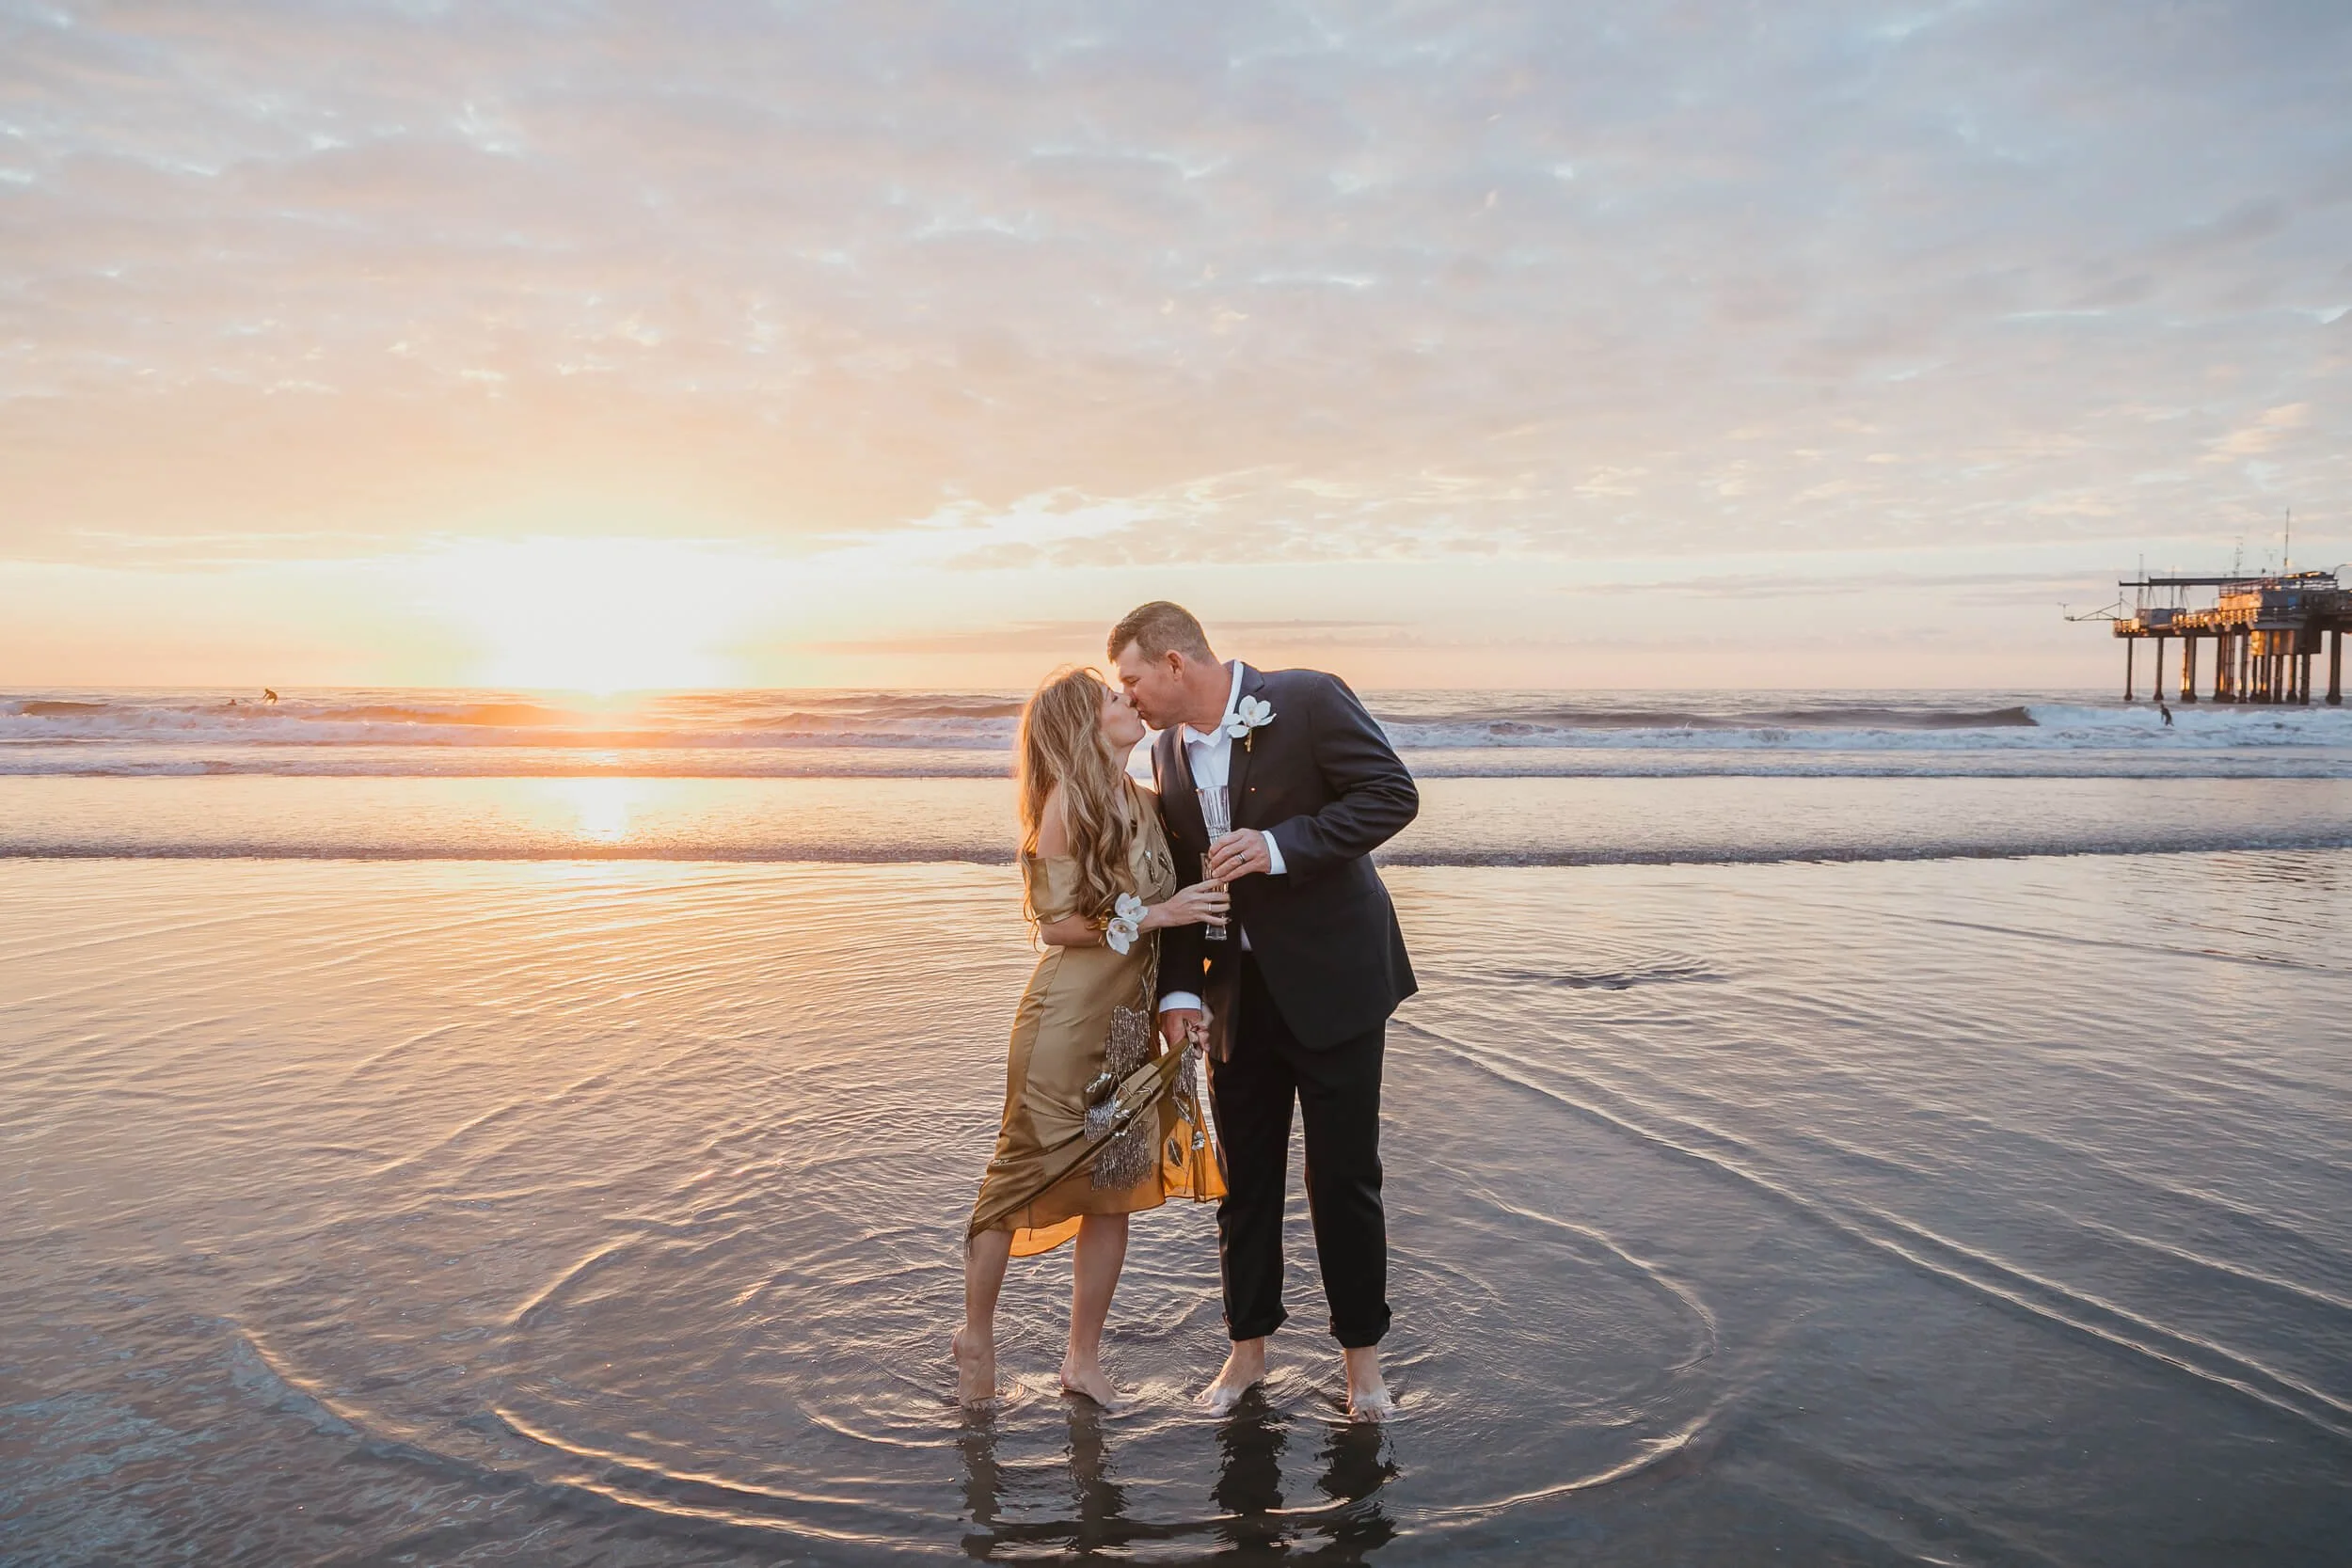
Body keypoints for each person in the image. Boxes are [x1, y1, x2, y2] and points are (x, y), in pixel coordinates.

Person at [1108, 603, 1420, 1421]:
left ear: (1175, 662)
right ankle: (1247, 1351)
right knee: (1244, 1181)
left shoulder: (1308, 698)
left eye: (1133, 680)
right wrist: (1179, 990)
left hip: (1338, 986)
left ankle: (1363, 1365)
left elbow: (1392, 794)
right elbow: (1183, 877)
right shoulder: (1168, 752)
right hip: (1234, 999)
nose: (1129, 698)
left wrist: (1282, 845)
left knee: (1344, 1178)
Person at [955, 667, 1230, 1408]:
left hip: (1127, 1025)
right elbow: (1056, 925)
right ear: (1084, 722)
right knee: (1021, 1173)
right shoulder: (1066, 803)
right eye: (1114, 697)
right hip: (1065, 1023)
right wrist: (1164, 913)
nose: (1129, 701)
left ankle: (1083, 1359)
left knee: (1113, 1191)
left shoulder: (1144, 802)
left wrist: (1182, 993)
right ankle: (976, 1336)